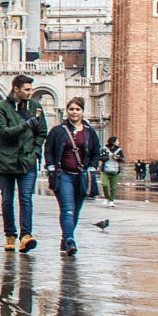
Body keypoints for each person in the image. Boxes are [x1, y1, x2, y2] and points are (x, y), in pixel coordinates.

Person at [0, 75, 46, 252]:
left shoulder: (36, 107)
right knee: (7, 200)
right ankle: (9, 235)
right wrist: (25, 126)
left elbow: (42, 132)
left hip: (27, 160)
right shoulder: (0, 107)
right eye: (27, 90)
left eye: (31, 89)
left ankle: (25, 237)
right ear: (16, 89)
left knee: (26, 199)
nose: (31, 93)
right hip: (5, 161)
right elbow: (3, 132)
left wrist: (36, 151)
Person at [45, 97, 101, 254]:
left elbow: (96, 152)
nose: (74, 112)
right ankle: (70, 240)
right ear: (67, 111)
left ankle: (65, 239)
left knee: (75, 210)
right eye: (71, 109)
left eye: (77, 109)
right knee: (67, 208)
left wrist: (92, 167)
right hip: (63, 175)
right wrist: (51, 166)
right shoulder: (58, 130)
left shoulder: (90, 132)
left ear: (83, 111)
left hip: (82, 177)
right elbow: (48, 149)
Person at [95, 135, 123, 205]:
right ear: (113, 142)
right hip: (105, 169)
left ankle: (111, 200)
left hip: (115, 170)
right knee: (104, 184)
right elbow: (101, 157)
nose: (118, 142)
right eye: (117, 141)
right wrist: (108, 156)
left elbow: (122, 159)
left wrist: (117, 158)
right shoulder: (104, 149)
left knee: (113, 187)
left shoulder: (119, 150)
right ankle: (106, 198)